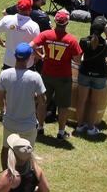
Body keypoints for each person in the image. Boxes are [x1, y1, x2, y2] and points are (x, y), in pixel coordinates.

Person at [30, 10, 82, 139]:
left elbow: (31, 46)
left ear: (55, 22)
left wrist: (41, 56)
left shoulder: (46, 34)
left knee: (42, 102)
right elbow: (77, 60)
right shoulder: (71, 40)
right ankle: (61, 132)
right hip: (64, 77)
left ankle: (40, 127)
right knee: (63, 106)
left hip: (47, 74)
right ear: (66, 24)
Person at [0, 44, 45, 169]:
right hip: (28, 124)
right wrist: (40, 122)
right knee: (27, 151)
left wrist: (3, 112)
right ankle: (25, 177)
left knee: (6, 148)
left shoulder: (4, 74)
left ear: (15, 57)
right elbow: (43, 101)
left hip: (10, 121)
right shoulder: (35, 77)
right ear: (29, 58)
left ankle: (5, 174)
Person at [73, 16, 107, 137]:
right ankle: (90, 128)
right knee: (94, 103)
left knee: (82, 100)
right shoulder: (105, 43)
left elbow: (79, 56)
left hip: (85, 73)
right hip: (99, 75)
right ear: (103, 29)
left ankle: (80, 126)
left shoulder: (83, 41)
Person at [0, 0, 41, 69]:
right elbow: (37, 47)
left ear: (17, 8)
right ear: (30, 9)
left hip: (9, 61)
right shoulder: (34, 26)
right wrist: (36, 59)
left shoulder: (7, 19)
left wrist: (2, 44)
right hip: (26, 63)